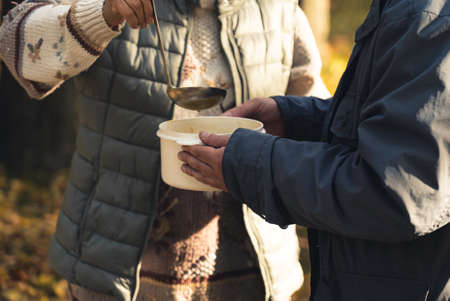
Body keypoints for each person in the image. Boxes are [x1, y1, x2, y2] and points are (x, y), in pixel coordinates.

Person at [0, 0, 330, 300]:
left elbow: (314, 115)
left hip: (255, 271)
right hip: (118, 272)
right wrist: (103, 13)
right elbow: (20, 48)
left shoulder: (278, 7)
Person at [179, 0, 450, 300]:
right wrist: (296, 121)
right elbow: (393, 126)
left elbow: (398, 190)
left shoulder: (427, 16)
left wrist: (249, 163)